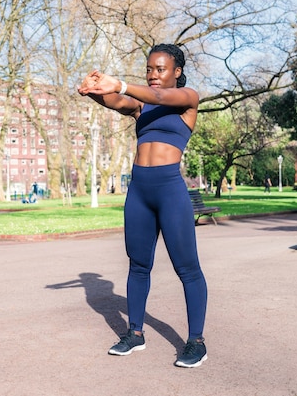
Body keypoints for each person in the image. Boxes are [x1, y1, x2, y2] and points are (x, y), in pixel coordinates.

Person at [78, 44, 208, 368]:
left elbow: (161, 98)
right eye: (149, 69)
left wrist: (118, 83)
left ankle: (196, 342)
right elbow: (119, 101)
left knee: (187, 268)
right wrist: (93, 92)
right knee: (138, 265)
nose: (152, 75)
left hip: (169, 191)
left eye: (160, 69)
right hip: (139, 191)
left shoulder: (187, 99)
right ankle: (134, 333)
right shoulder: (141, 105)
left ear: (176, 72)